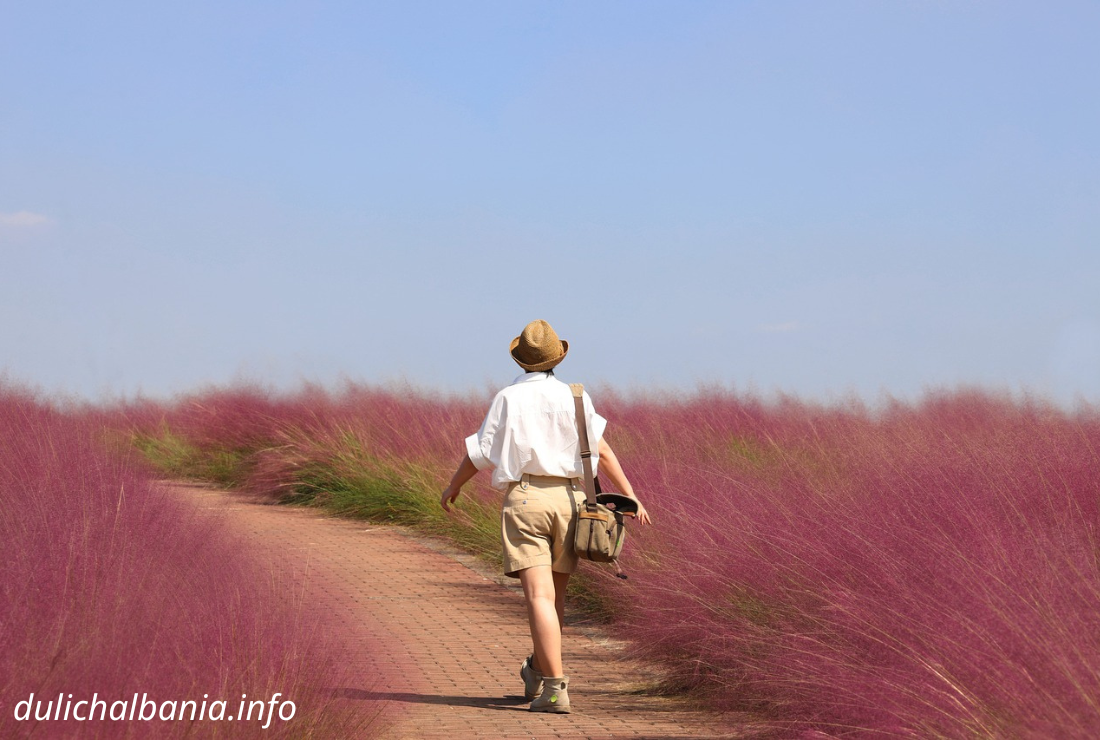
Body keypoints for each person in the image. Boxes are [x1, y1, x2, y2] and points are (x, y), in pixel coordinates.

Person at [439, 319, 651, 714]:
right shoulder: (576, 396)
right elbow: (602, 451)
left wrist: (454, 485)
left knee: (538, 596)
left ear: (520, 360)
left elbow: (480, 453)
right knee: (555, 600)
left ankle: (555, 688)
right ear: (558, 358)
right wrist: (630, 494)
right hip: (570, 502)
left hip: (526, 498)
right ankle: (537, 670)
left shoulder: (507, 398)